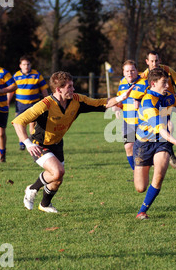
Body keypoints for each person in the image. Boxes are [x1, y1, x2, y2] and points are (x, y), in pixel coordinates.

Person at [12, 71, 134, 213]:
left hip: (57, 144)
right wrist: (28, 144)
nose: (73, 89)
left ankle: (44, 204)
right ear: (58, 89)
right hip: (39, 144)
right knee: (57, 172)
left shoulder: (76, 100)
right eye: (69, 86)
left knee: (57, 179)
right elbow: (18, 121)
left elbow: (100, 103)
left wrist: (121, 97)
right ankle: (32, 189)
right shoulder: (45, 104)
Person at [134, 67, 176, 220]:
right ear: (153, 83)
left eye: (168, 82)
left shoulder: (169, 96)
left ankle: (142, 211)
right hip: (144, 144)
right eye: (164, 83)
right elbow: (161, 128)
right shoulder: (148, 102)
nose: (167, 86)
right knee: (140, 187)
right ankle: (148, 164)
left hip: (162, 142)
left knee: (159, 175)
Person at [141, 50, 176, 169]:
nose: (154, 63)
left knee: (168, 126)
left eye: (156, 60)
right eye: (152, 61)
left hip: (166, 104)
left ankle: (169, 152)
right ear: (147, 62)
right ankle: (160, 154)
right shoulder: (143, 76)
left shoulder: (167, 70)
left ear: (159, 60)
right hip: (151, 107)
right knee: (155, 131)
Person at [8, 55, 49, 150]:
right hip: (20, 104)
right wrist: (7, 102)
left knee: (32, 124)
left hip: (33, 103)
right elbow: (11, 91)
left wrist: (47, 101)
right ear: (20, 65)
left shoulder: (37, 75)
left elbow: (44, 90)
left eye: (28, 64)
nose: (26, 66)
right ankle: (22, 143)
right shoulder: (16, 76)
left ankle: (32, 140)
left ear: (30, 65)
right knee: (20, 123)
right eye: (24, 64)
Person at [115, 60, 149, 170]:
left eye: (132, 70)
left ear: (137, 71)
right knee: (129, 147)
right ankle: (136, 173)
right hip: (128, 121)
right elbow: (120, 97)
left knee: (142, 150)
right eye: (127, 71)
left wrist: (141, 101)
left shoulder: (144, 83)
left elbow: (153, 99)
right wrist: (117, 107)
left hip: (142, 122)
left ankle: (145, 172)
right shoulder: (122, 82)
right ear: (123, 72)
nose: (130, 73)